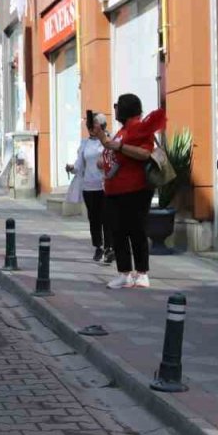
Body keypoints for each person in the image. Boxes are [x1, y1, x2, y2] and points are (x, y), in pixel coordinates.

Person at [94, 94, 165, 290]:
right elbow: (113, 153)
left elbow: (144, 153)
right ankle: (124, 273)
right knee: (118, 232)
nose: (114, 109)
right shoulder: (122, 130)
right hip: (115, 190)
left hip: (135, 189)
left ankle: (141, 273)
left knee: (136, 230)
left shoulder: (138, 127)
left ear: (125, 108)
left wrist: (118, 146)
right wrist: (104, 149)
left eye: (117, 105)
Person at [66, 112, 115, 264]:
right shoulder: (85, 143)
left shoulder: (108, 141)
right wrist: (71, 168)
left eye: (94, 125)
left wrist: (106, 164)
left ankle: (109, 248)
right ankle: (98, 247)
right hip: (88, 187)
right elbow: (79, 165)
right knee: (93, 219)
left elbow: (114, 160)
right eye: (90, 126)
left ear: (101, 126)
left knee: (106, 217)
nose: (91, 128)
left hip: (104, 186)